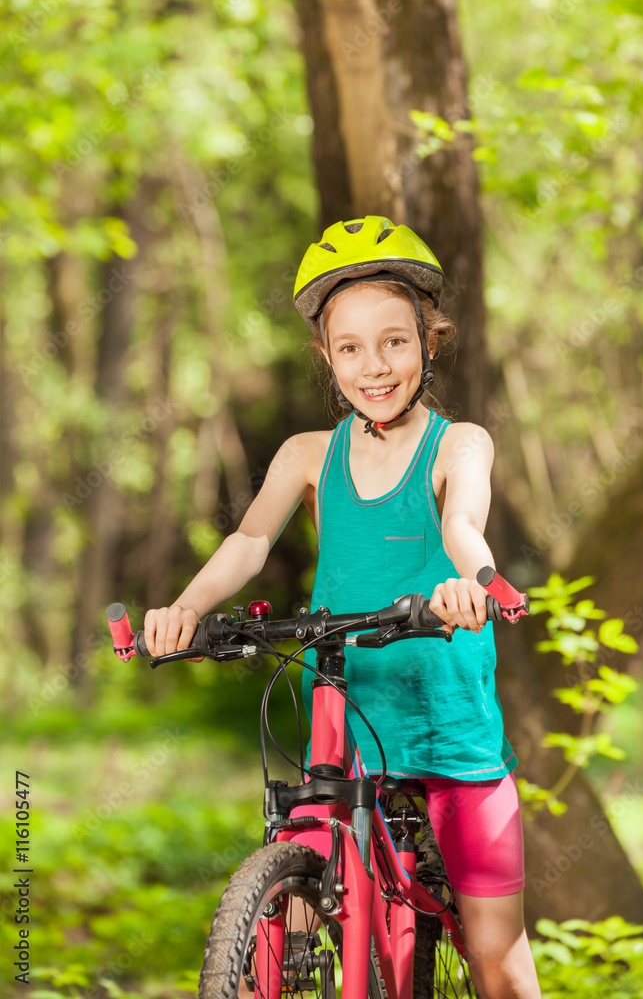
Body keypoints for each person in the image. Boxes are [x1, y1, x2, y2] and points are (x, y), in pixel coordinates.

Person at [144, 215, 542, 998]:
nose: (374, 366)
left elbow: (463, 522)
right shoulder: (307, 454)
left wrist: (479, 584)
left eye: (395, 341)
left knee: (497, 957)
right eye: (351, 348)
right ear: (324, 356)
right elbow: (250, 542)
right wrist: (185, 608)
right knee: (291, 920)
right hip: (346, 718)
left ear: (432, 341)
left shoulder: (459, 444)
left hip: (446, 720)